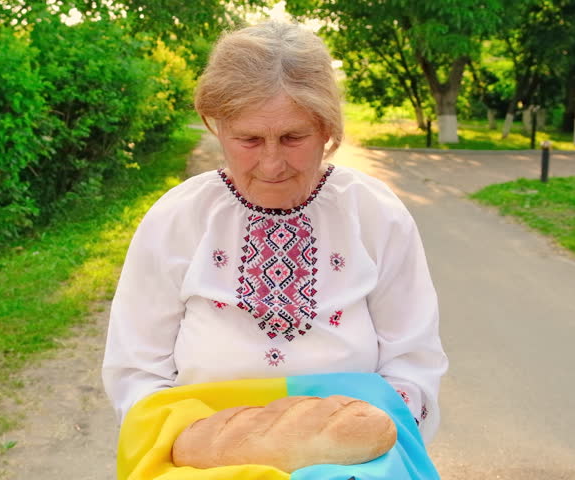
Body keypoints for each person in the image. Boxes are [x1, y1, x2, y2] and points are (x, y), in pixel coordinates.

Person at [101, 20, 448, 444]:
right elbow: (136, 368)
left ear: (327, 129)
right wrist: (182, 442)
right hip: (203, 455)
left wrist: (379, 434)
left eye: (292, 137)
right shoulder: (177, 218)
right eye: (248, 139)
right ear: (218, 128)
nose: (271, 164)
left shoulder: (375, 213)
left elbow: (412, 359)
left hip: (351, 459)